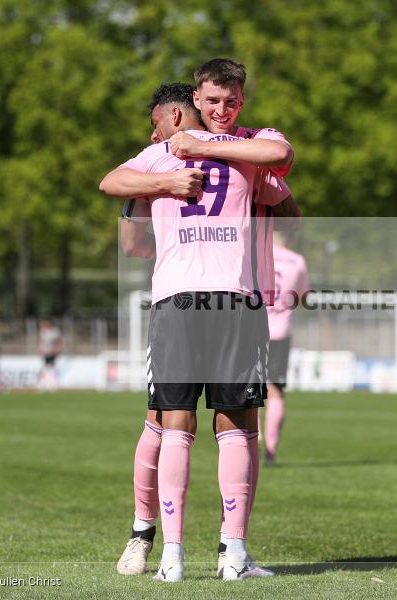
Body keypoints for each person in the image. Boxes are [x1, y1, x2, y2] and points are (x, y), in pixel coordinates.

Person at [106, 63, 298, 580]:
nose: (222, 110)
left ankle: (204, 555)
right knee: (197, 425)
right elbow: (112, 184)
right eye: (213, 101)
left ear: (241, 100)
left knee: (192, 424)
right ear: (196, 99)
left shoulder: (195, 147)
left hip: (205, 298)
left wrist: (192, 153)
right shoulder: (199, 150)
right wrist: (168, 180)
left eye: (230, 101)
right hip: (213, 298)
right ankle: (187, 551)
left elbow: (281, 160)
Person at [263, 231, 310, 466]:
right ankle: (270, 448)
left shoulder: (254, 254)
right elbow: (303, 299)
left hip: (250, 330)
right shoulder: (297, 261)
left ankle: (246, 443)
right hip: (279, 333)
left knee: (246, 390)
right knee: (275, 392)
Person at [37, 319, 64, 391]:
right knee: (45, 368)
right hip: (45, 352)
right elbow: (41, 341)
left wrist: (57, 350)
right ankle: (43, 383)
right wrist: (40, 349)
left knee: (52, 368)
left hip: (52, 352)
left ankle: (52, 384)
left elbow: (59, 342)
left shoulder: (55, 332)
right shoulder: (43, 332)